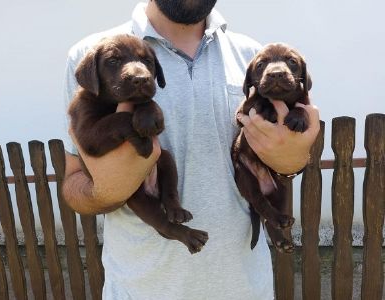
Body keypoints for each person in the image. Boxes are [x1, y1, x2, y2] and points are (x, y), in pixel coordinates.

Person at [62, 0, 320, 299]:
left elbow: (290, 153)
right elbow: (73, 181)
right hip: (143, 289)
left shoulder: (253, 56)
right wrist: (106, 191)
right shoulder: (91, 55)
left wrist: (292, 162)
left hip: (244, 288)